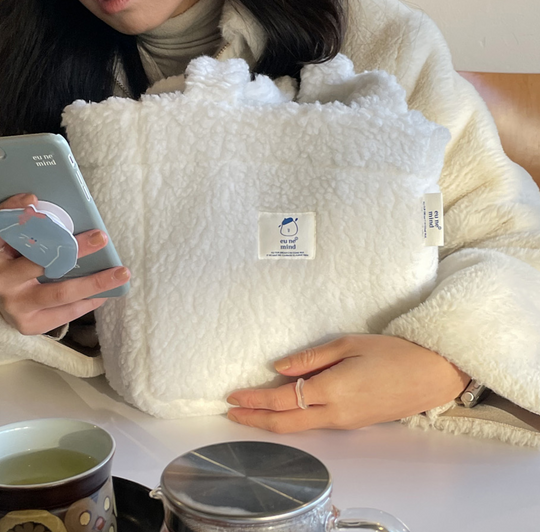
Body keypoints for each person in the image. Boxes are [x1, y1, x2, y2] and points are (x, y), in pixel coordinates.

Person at [1, 0, 539, 444]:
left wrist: (448, 366)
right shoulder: (19, 52)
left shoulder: (382, 41)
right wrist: (18, 309)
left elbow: (517, 240)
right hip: (108, 440)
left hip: (382, 453)